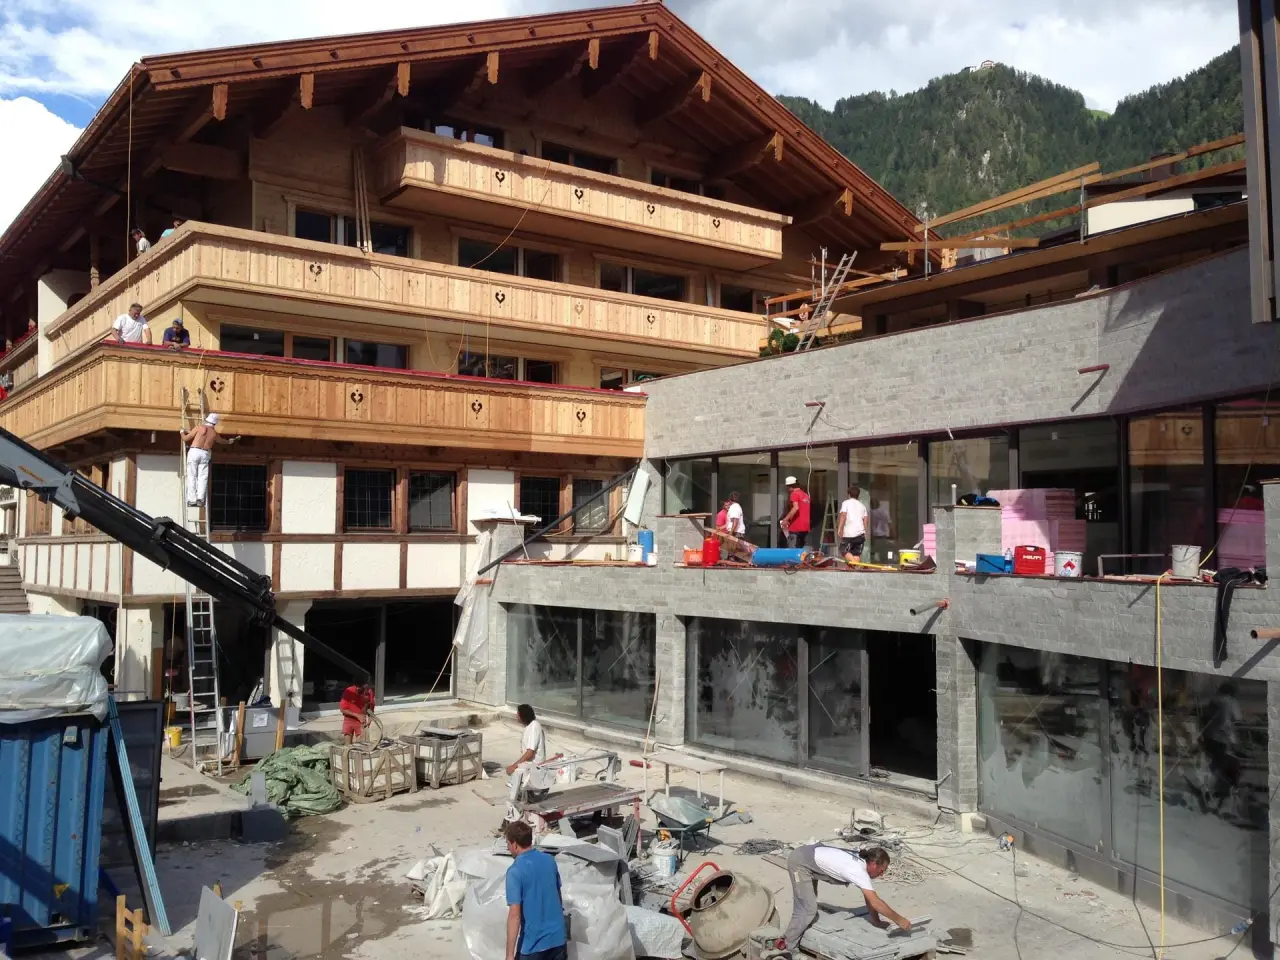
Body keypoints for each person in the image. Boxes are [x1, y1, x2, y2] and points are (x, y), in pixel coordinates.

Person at [776, 845, 909, 955]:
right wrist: (900, 920)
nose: (882, 874)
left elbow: (869, 899)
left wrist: (876, 921)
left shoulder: (862, 862)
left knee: (807, 903)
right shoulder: (857, 871)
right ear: (873, 864)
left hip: (809, 856)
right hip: (800, 863)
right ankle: (788, 946)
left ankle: (797, 934)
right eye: (881, 871)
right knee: (807, 909)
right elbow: (876, 902)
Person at [504, 820, 567, 960]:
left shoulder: (515, 872)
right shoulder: (549, 860)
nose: (508, 848)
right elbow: (558, 897)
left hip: (533, 946)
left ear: (514, 844)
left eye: (508, 844)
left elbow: (515, 916)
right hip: (557, 940)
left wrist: (509, 955)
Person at [180, 412, 238, 507]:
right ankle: (200, 499)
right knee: (202, 477)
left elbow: (186, 439)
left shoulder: (199, 428)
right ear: (215, 423)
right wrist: (229, 441)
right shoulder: (214, 433)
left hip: (195, 451)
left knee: (192, 475)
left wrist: (182, 432)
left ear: (207, 420)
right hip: (205, 453)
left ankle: (192, 500)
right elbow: (221, 441)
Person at [505, 703, 549, 822]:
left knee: (515, 794)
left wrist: (514, 766)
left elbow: (530, 752)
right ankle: (513, 820)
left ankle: (511, 822)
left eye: (518, 714)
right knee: (516, 794)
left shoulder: (535, 727)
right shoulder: (530, 727)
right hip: (528, 769)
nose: (516, 716)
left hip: (534, 770)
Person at [780, 476, 812, 549]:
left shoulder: (794, 494)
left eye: (788, 487)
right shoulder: (805, 495)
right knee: (800, 549)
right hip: (805, 527)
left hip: (796, 527)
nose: (788, 489)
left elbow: (796, 508)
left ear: (791, 486)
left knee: (792, 549)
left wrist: (786, 519)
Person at [838, 486, 868, 562]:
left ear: (849, 494)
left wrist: (840, 528)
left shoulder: (846, 503)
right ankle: (855, 571)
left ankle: (854, 564)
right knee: (856, 554)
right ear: (858, 495)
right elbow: (865, 520)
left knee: (843, 550)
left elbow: (843, 515)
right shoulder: (862, 506)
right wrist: (865, 532)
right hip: (860, 534)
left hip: (849, 533)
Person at [869, 497, 894, 562]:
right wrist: (893, 534)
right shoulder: (884, 512)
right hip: (882, 536)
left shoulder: (870, 513)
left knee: (872, 555)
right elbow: (890, 524)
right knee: (883, 555)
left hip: (873, 537)